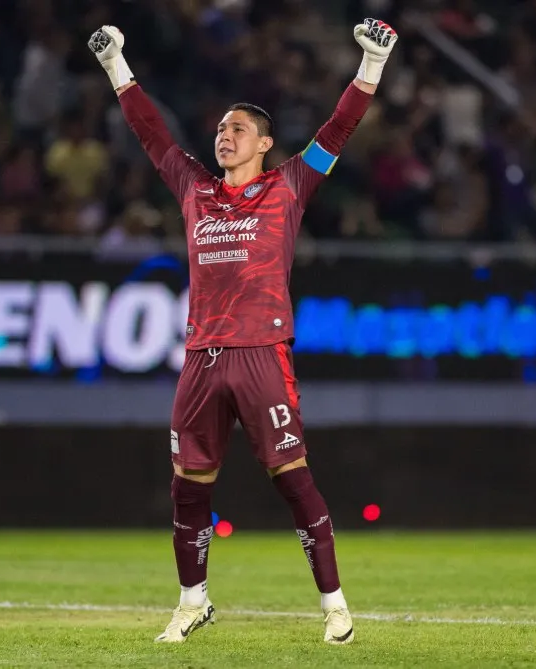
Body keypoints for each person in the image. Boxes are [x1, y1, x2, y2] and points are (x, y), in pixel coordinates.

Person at [88, 19, 398, 645]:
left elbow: (338, 131)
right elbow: (153, 136)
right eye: (221, 128)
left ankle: (335, 604)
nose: (223, 136)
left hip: (262, 353)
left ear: (264, 144)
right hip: (202, 357)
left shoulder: (290, 185)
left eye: (237, 130)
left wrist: (371, 67)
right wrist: (117, 66)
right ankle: (191, 601)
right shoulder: (194, 189)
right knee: (187, 485)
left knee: (293, 478)